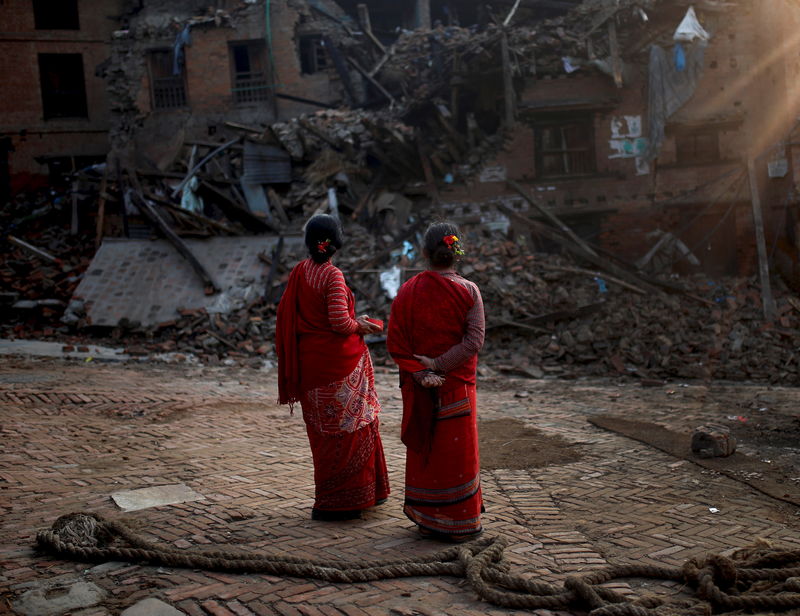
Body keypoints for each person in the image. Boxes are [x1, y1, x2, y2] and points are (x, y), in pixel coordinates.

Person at [276, 214, 389, 520]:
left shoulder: (300, 271)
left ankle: (329, 499)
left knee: (323, 436)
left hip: (311, 367)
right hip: (339, 368)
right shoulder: (332, 276)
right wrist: (362, 325)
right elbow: (339, 323)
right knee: (351, 431)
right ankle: (350, 502)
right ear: (335, 244)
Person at [387, 222, 485, 541]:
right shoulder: (470, 291)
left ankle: (429, 517)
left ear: (425, 254)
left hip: (421, 388)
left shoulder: (408, 291)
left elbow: (395, 343)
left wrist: (423, 371)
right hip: (457, 387)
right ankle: (461, 519)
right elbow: (474, 342)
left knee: (428, 452)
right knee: (457, 455)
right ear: (456, 254)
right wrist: (441, 366)